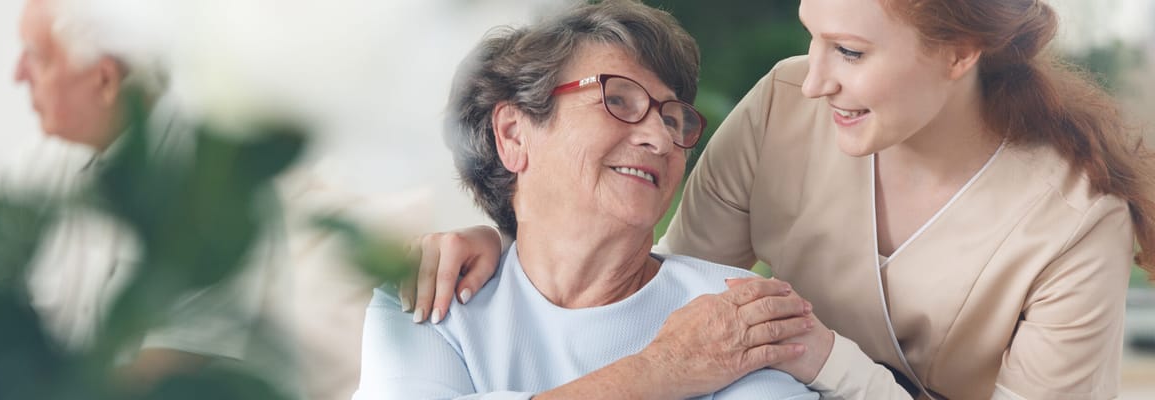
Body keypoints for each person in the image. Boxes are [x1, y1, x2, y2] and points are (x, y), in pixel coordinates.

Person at [406, 0, 1155, 398]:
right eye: (813, 35)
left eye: (851, 52)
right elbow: (665, 304)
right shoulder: (785, 107)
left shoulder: (1074, 225)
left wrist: (825, 360)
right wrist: (516, 238)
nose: (815, 75)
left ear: (961, 54)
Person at [353, 1, 821, 399]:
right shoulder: (428, 293)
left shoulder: (735, 314)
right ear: (514, 134)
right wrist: (659, 371)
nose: (660, 138)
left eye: (674, 118)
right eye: (618, 100)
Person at [12, 0, 275, 391]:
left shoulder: (213, 183)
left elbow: (169, 375)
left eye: (37, 57)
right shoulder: (50, 155)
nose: (18, 75)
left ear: (105, 80)